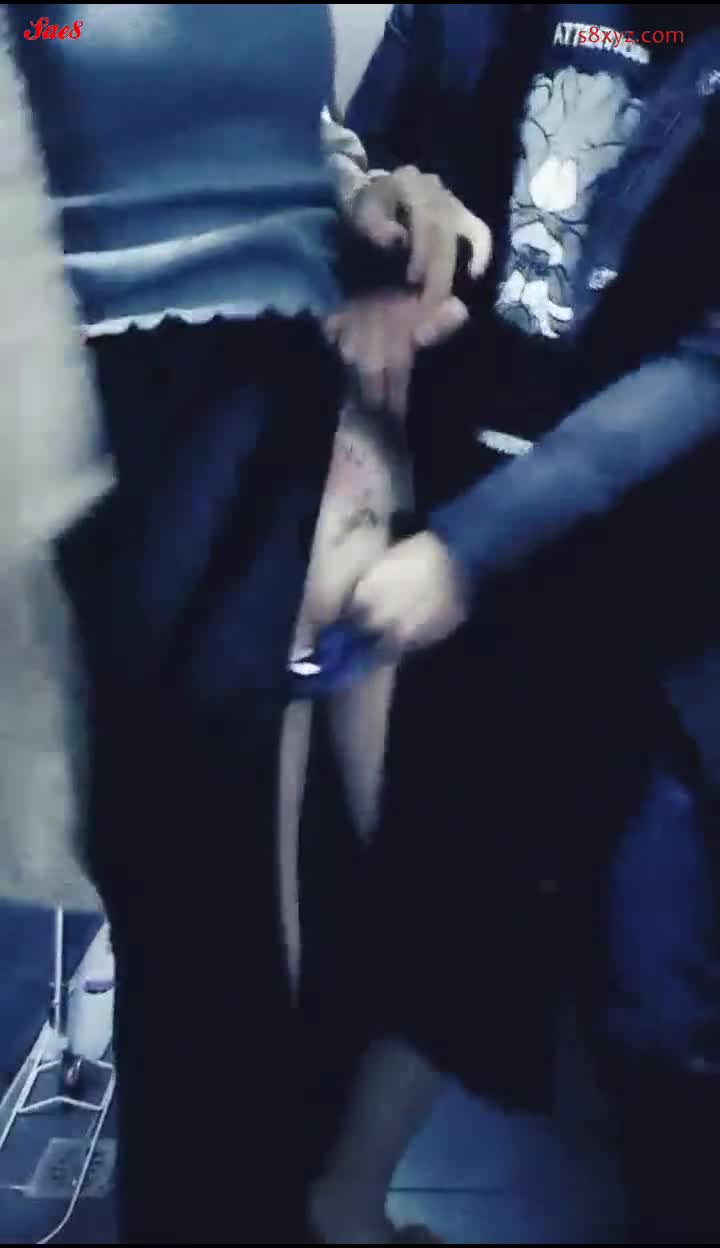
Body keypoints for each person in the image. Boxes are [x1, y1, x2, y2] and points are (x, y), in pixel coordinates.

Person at [1, 5, 483, 1242]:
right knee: (192, 893)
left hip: (281, 378)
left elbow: (261, 124)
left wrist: (360, 188)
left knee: (256, 901)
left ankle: (272, 1204)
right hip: (94, 392)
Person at [299, 5, 720, 1244]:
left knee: (641, 965)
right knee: (418, 885)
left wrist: (469, 551)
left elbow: (707, 364)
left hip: (642, 557)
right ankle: (335, 1203)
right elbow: (367, 162)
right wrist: (378, 252)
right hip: (443, 497)